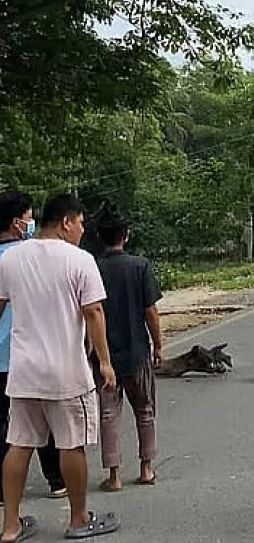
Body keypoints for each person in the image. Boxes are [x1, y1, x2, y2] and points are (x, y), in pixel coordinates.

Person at [0, 193, 120, 541]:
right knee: (71, 444)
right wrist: (106, 362)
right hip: (66, 371)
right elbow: (94, 312)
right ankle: (79, 518)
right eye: (81, 223)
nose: (83, 230)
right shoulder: (79, 260)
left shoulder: (11, 260)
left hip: (23, 371)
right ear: (66, 221)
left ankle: (10, 526)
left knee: (19, 444)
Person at [0, 192, 68, 503]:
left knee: (6, 427)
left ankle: (4, 491)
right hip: (29, 354)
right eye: (29, 217)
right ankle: (57, 481)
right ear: (17, 223)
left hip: (3, 360)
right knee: (44, 422)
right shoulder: (30, 255)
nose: (32, 223)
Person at [91, 202, 162, 492]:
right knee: (145, 409)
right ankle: (146, 468)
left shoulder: (93, 267)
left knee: (109, 414)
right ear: (126, 235)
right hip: (137, 351)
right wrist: (158, 344)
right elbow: (150, 311)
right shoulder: (139, 266)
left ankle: (115, 475)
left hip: (104, 353)